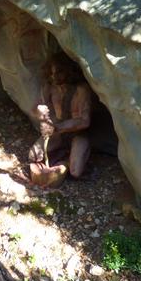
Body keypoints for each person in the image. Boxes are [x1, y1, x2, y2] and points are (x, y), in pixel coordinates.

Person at [28, 52, 103, 184]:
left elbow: (85, 121)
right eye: (51, 73)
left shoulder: (82, 90)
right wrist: (40, 111)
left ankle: (66, 162)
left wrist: (58, 127)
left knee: (75, 171)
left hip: (79, 134)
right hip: (58, 134)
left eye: (58, 73)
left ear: (68, 71)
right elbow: (34, 108)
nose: (54, 77)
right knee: (33, 156)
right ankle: (61, 156)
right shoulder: (50, 87)